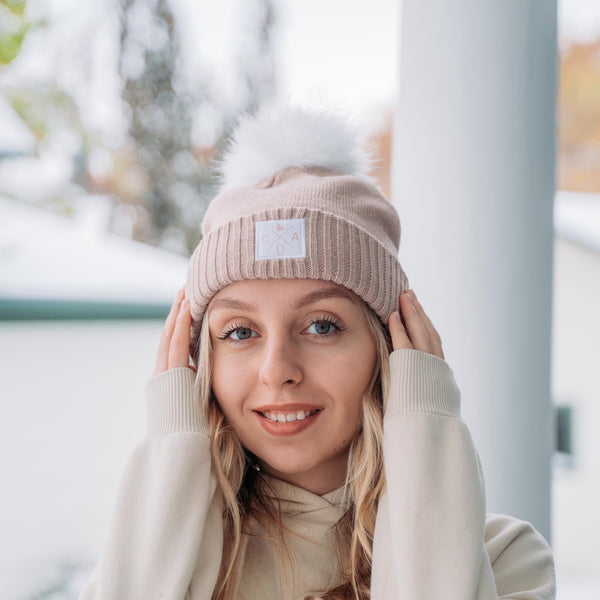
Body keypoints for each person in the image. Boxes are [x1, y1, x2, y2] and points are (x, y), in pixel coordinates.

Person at [79, 106, 555, 600]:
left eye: (322, 325)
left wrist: (424, 428)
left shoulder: (506, 560)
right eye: (240, 333)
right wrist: (174, 445)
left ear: (393, 349)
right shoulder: (159, 563)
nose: (277, 370)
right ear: (199, 364)